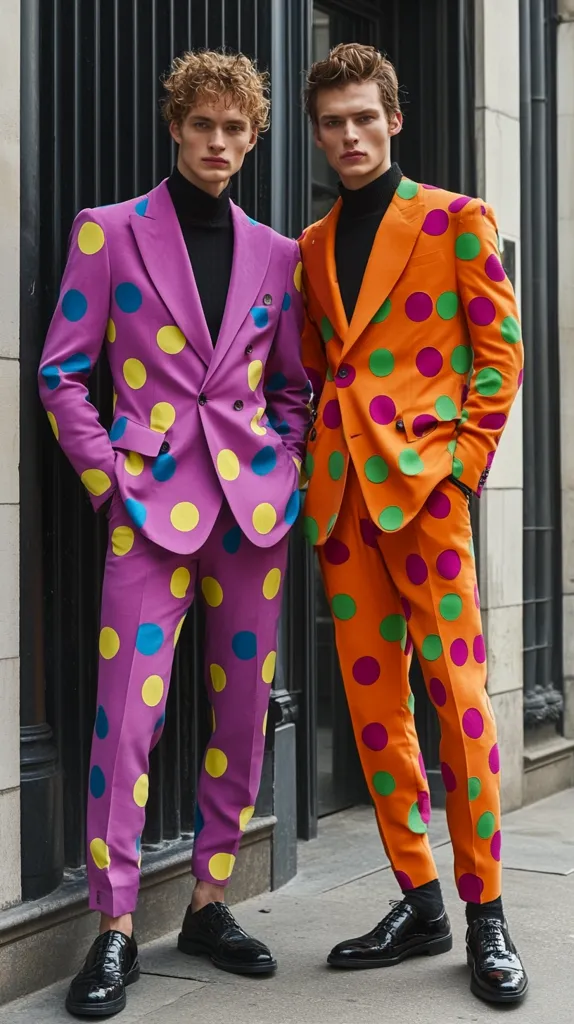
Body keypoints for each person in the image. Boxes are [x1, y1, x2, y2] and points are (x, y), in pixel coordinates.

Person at [38, 48, 309, 1018]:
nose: (220, 142)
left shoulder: (278, 255)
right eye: (205, 125)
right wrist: (108, 478)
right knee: (127, 719)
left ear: (251, 135)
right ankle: (113, 926)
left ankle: (208, 898)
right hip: (145, 517)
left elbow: (292, 387)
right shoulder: (108, 234)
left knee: (240, 715)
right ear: (177, 125)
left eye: (236, 129)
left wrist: (283, 460)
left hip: (251, 517)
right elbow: (62, 372)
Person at [299, 42, 527, 1006]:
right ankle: (420, 898)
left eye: (363, 116)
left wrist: (462, 469)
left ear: (394, 118)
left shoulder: (455, 218)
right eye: (332, 121)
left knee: (459, 703)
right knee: (375, 712)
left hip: (426, 498)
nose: (349, 135)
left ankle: (487, 913)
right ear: (318, 134)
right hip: (344, 503)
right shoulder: (309, 247)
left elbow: (501, 350)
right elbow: (318, 367)